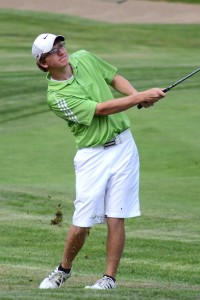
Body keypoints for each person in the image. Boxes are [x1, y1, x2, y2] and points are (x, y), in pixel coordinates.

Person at [32, 33, 165, 290]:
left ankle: (108, 279)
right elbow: (101, 109)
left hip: (124, 147)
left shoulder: (84, 57)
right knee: (83, 221)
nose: (61, 51)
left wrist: (138, 95)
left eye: (61, 45)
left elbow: (113, 77)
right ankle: (63, 270)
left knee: (117, 216)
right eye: (53, 50)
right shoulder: (56, 96)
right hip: (93, 156)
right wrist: (139, 98)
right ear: (43, 63)